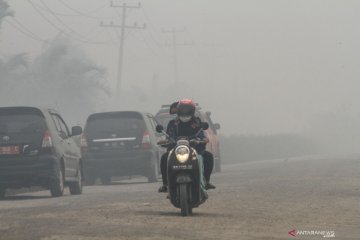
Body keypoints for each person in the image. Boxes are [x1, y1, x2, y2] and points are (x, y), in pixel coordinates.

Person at [158, 99, 216, 192]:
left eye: (187, 109)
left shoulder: (197, 122)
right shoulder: (172, 123)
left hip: (195, 149)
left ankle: (206, 181)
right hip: (176, 150)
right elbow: (169, 135)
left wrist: (202, 140)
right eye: (183, 109)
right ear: (178, 110)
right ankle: (165, 184)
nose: (185, 112)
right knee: (164, 158)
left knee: (208, 157)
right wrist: (168, 141)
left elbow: (202, 135)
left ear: (192, 110)